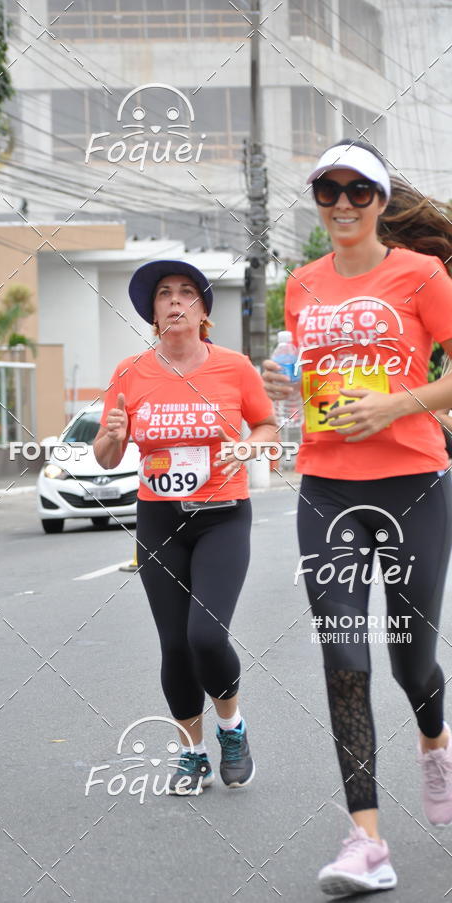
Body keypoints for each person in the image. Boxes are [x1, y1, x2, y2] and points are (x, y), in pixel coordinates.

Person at [262, 139, 452, 897]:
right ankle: (366, 840)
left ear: (380, 200)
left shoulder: (421, 274)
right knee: (344, 656)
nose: (342, 203)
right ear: (317, 199)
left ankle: (435, 741)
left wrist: (395, 405)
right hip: (327, 488)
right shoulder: (302, 284)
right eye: (328, 190)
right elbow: (309, 375)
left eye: (358, 190)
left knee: (411, 662)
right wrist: (289, 390)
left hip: (413, 485)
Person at [94, 260, 277, 794]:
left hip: (222, 515)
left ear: (202, 312)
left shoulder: (234, 367)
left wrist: (250, 447)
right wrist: (112, 436)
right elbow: (106, 456)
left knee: (206, 635)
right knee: (175, 644)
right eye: (164, 294)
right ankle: (192, 753)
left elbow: (267, 425)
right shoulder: (130, 372)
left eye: (187, 293)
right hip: (159, 517)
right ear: (153, 313)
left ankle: (231, 727)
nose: (175, 301)